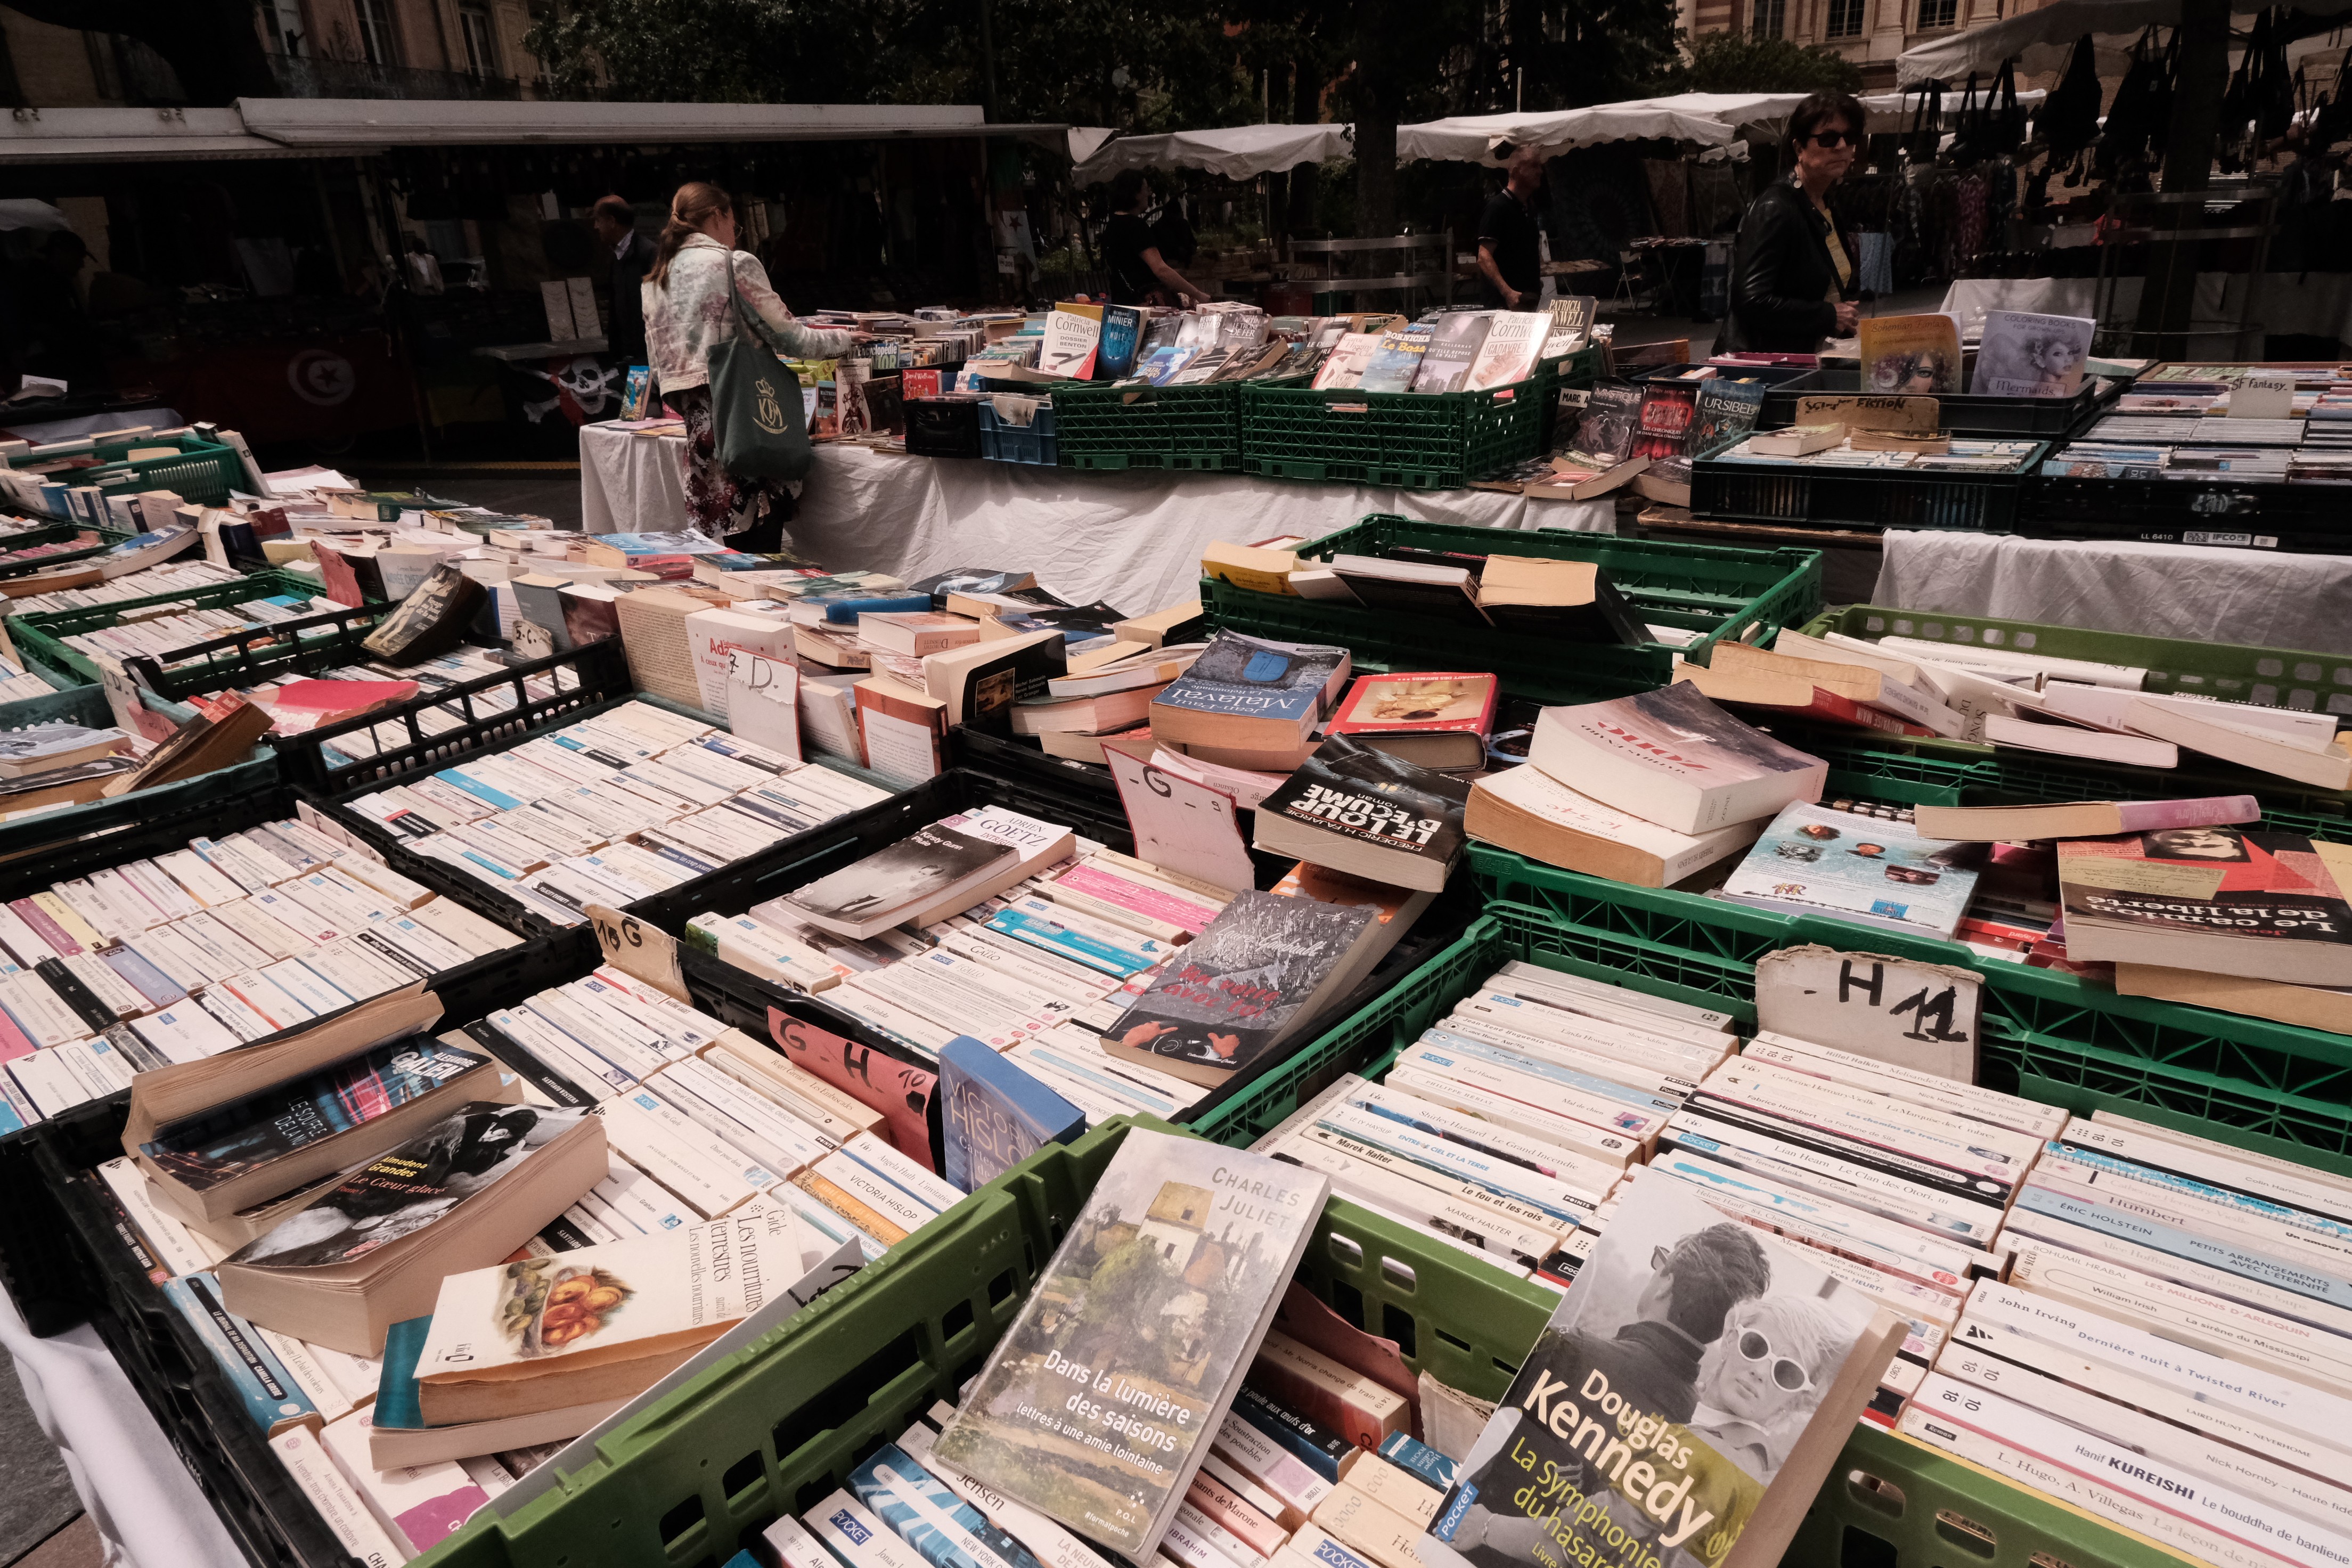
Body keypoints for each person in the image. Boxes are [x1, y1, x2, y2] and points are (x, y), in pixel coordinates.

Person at [643, 181, 855, 550]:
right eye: (734, 224)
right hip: (746, 416)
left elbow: (658, 366)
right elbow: (792, 339)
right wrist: (847, 338)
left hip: (700, 430)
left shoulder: (656, 279)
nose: (733, 234)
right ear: (718, 215)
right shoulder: (732, 264)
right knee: (761, 547)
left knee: (724, 553)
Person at [1723, 91, 1865, 354]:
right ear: (1799, 148)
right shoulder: (1776, 208)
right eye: (1828, 138)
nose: (1842, 146)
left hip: (1810, 355)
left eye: (1851, 137)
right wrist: (1827, 315)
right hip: (1770, 365)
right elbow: (1751, 300)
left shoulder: (1825, 203)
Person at [1100, 170, 1210, 307]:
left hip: (1120, 308)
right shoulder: (1136, 226)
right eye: (1146, 189)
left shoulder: (1112, 226)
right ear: (1135, 193)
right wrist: (1198, 294)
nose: (1150, 193)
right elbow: (1160, 270)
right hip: (1144, 309)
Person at [592, 195, 658, 367]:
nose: (596, 226)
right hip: (630, 356)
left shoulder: (648, 252)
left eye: (598, 220)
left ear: (612, 221)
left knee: (643, 395)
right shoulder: (616, 258)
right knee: (634, 395)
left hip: (650, 355)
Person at [1477, 148, 1546, 309]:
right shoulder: (1498, 207)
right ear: (1516, 172)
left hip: (1529, 301)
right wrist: (1507, 293)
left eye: (1540, 166)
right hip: (1504, 306)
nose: (1540, 172)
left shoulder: (1529, 208)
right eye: (1534, 166)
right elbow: (1484, 257)